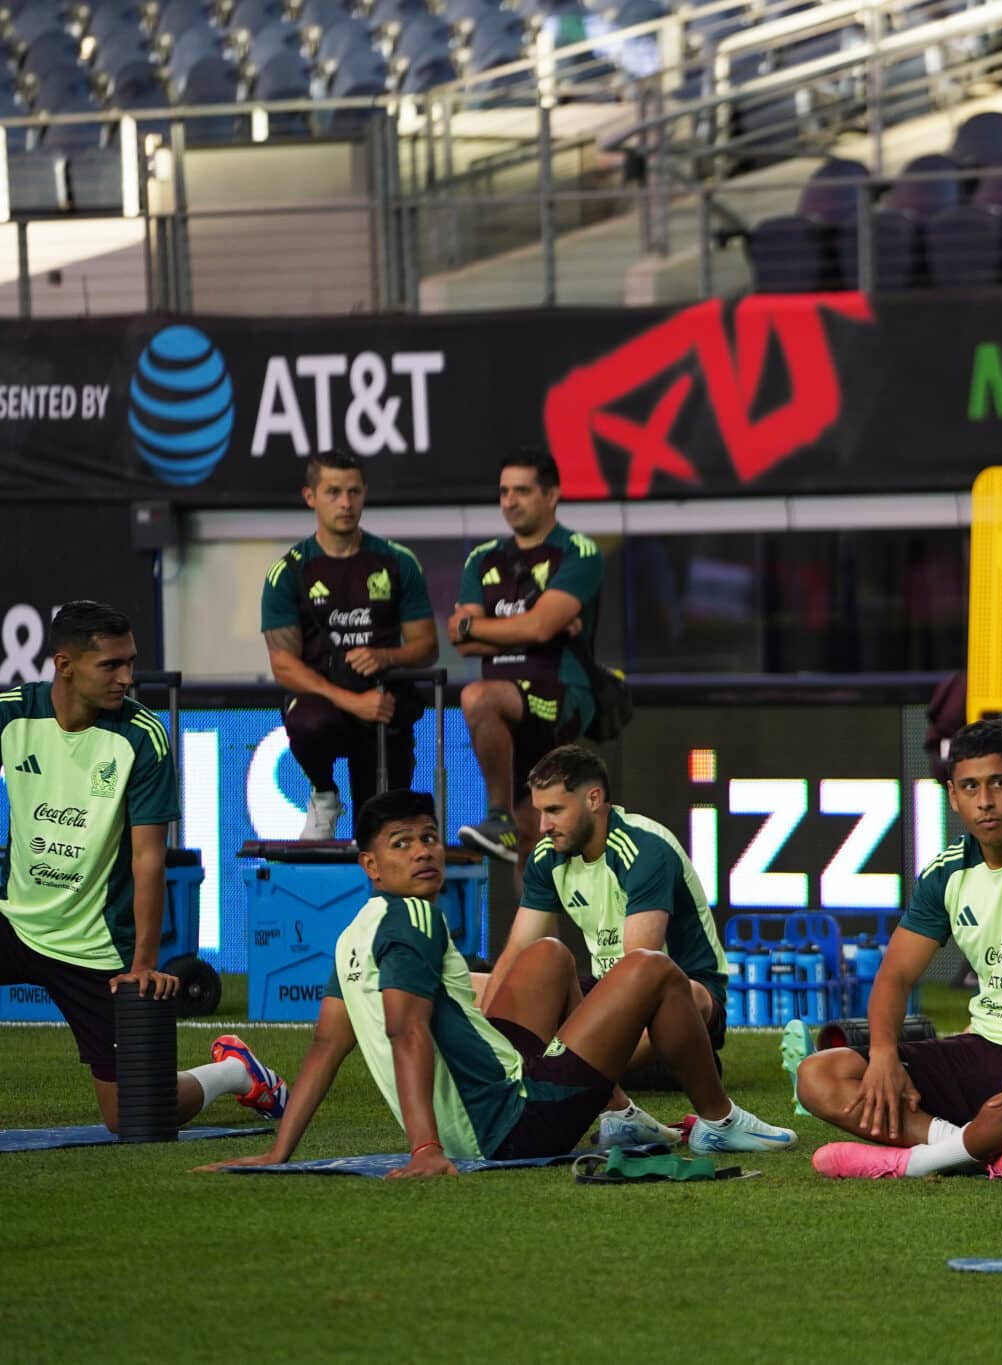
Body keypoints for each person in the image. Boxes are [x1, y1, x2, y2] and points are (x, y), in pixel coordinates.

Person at [198, 790, 793, 1176]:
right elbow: (407, 1033)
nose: (423, 853)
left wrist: (279, 1153)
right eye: (401, 845)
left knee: (548, 956)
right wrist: (425, 1150)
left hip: (486, 1113)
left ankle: (621, 1114)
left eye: (428, 838)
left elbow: (327, 1046)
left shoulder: (354, 932)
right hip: (516, 1123)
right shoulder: (416, 916)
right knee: (652, 969)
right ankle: (719, 1123)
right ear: (371, 866)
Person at [1, 602, 288, 1131]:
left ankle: (234, 1071)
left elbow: (148, 857)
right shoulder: (13, 712)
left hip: (94, 947)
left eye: (130, 662)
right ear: (65, 665)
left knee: (132, 1116)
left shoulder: (142, 736)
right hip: (13, 920)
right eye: (110, 665)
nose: (126, 677)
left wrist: (143, 965)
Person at [797, 720, 1002, 1179]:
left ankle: (913, 1162)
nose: (985, 801)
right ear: (953, 796)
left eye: (999, 784)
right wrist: (885, 1055)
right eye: (970, 787)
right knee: (817, 1076)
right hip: (985, 1043)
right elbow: (895, 975)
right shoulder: (946, 872)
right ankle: (979, 1146)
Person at [479, 744, 726, 1147]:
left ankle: (572, 1074)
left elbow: (641, 971)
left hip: (676, 1002)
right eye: (539, 811)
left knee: (682, 991)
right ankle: (614, 1104)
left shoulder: (644, 848)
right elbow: (519, 948)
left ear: (593, 799)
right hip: (603, 992)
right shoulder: (548, 856)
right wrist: (489, 1047)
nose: (542, 825)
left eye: (554, 810)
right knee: (471, 987)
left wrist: (558, 1047)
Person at [260, 451, 438, 840]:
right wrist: (353, 702)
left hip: (384, 707)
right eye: (334, 492)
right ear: (310, 496)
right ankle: (324, 793)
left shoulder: (397, 561)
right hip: (322, 701)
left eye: (354, 492)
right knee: (309, 722)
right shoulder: (288, 571)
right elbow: (283, 665)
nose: (345, 503)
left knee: (381, 831)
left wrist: (386, 656)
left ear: (365, 494)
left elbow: (427, 646)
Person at [450, 451, 605, 862]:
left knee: (476, 696)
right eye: (504, 492)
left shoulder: (578, 552)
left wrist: (485, 627)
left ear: (551, 495)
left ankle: (496, 817)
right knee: (534, 841)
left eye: (521, 491)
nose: (510, 501)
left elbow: (536, 627)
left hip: (559, 693)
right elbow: (462, 641)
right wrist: (535, 628)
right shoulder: (482, 558)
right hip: (508, 710)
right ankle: (512, 832)